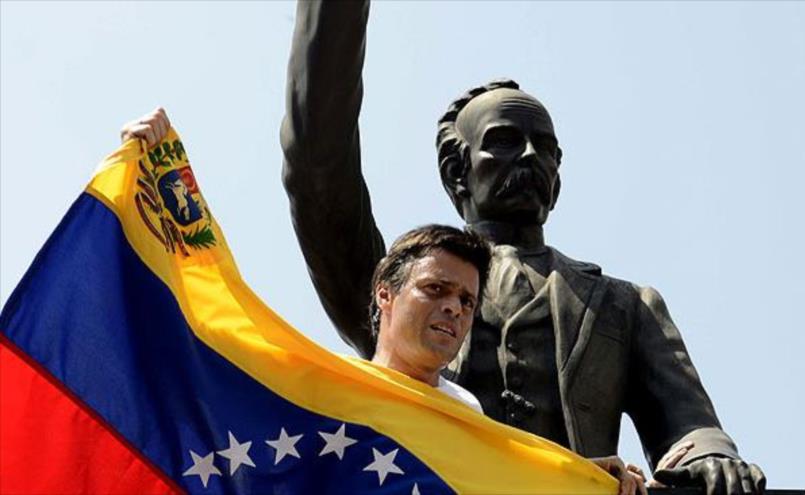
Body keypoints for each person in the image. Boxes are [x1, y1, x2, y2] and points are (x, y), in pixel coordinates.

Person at [281, 2, 766, 494]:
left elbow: (687, 427)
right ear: (456, 170)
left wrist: (711, 455)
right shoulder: (406, 289)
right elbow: (316, 169)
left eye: (546, 148)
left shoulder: (625, 307)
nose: (531, 157)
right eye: (505, 141)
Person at [119, 116, 649, 495]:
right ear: (385, 294)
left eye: (466, 299)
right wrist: (162, 177)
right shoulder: (325, 393)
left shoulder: (470, 421)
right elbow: (213, 334)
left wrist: (580, 480)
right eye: (436, 290)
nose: (455, 310)